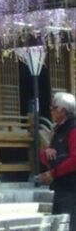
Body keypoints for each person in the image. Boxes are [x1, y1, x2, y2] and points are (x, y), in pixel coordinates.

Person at [39, 92, 76, 231]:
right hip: (61, 186)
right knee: (59, 224)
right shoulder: (58, 129)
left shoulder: (73, 129)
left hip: (72, 188)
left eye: (54, 107)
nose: (51, 110)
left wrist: (54, 172)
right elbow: (47, 154)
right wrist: (46, 154)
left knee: (69, 225)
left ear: (63, 110)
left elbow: (75, 159)